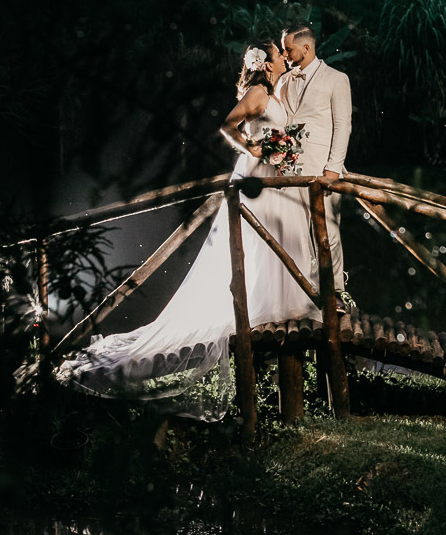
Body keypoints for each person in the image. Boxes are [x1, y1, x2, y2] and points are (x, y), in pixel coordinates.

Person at [54, 42, 321, 421]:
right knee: (260, 242)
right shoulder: (258, 92)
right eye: (279, 54)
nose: (283, 57)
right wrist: (254, 149)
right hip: (258, 178)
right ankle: (264, 309)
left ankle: (283, 304)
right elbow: (227, 125)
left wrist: (283, 148)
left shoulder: (273, 91)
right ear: (266, 63)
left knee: (276, 239)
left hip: (274, 179)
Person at [277, 25, 352, 299]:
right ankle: (303, 295)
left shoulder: (336, 79)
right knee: (294, 234)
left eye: (288, 49)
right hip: (289, 171)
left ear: (306, 48)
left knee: (328, 232)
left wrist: (333, 168)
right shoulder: (283, 81)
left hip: (323, 169)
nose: (284, 54)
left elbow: (343, 126)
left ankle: (335, 294)